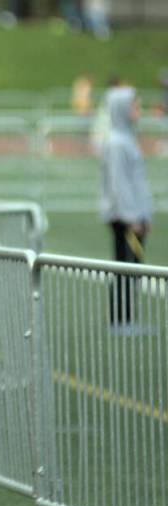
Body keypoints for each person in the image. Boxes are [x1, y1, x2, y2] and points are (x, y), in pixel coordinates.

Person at [99, 85, 153, 329]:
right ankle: (121, 319)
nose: (138, 110)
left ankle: (127, 317)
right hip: (124, 218)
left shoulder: (126, 139)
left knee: (133, 267)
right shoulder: (117, 143)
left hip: (134, 216)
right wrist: (133, 217)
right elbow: (119, 185)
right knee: (125, 266)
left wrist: (145, 214)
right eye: (134, 105)